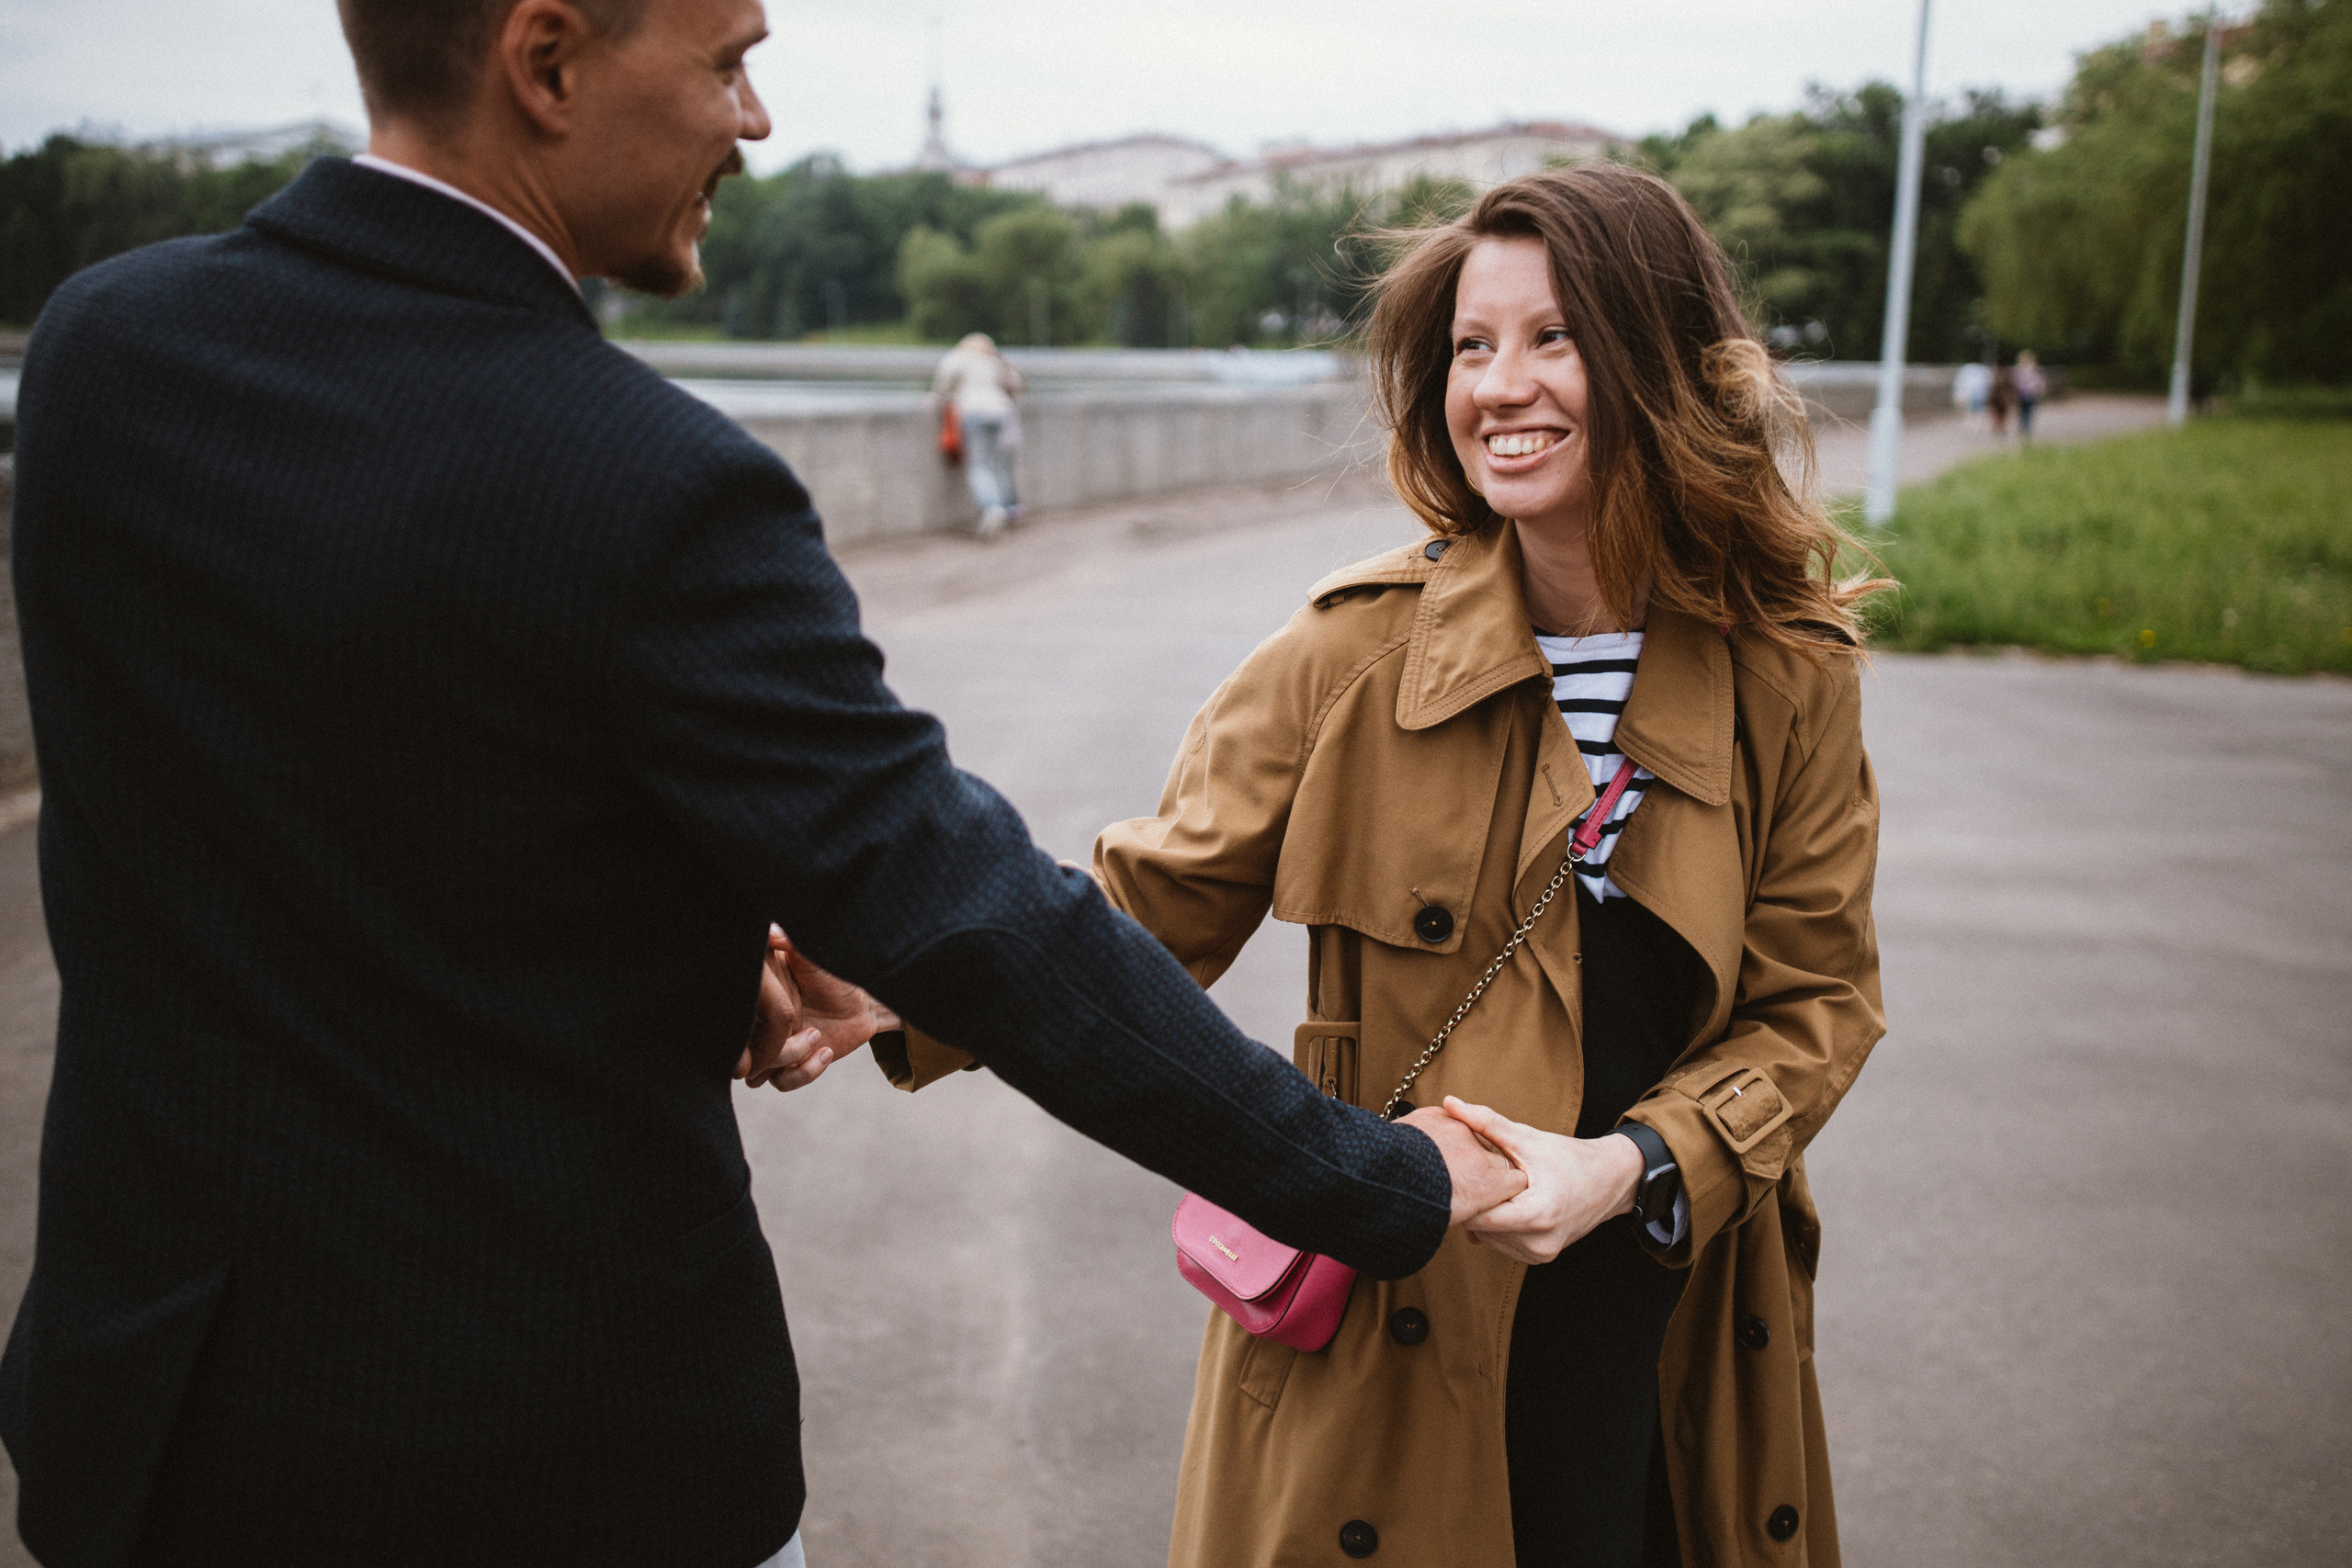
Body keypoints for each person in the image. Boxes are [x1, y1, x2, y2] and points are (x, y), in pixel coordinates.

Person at [0, 2, 1522, 1565]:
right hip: (545, 1468)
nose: (756, 121)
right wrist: (1381, 1180)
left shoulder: (104, 353)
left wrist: (660, 924)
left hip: (154, 1433)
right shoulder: (647, 484)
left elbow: (309, 788)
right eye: (728, 61)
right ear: (546, 62)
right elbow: (978, 920)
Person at [888, 166, 1888, 1566]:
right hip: (1393, 1330)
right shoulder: (1349, 654)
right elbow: (1136, 906)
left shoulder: (1788, 675)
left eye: (1554, 337)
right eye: (1473, 347)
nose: (1501, 386)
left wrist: (1629, 1164)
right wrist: (884, 977)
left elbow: (1818, 1004)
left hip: (1670, 1315)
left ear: (1662, 360)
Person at [930, 331, 1025, 535]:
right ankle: (1008, 507)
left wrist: (939, 397)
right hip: (1001, 412)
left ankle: (991, 508)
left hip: (973, 412)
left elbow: (943, 382)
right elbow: (1016, 383)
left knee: (979, 465)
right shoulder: (995, 360)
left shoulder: (959, 357)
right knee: (997, 463)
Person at [2012, 349, 2047, 439]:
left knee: (2022, 413)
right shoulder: (2034, 369)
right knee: (2028, 413)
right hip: (2030, 394)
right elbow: (2039, 382)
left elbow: (2015, 383)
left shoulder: (2018, 369)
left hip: (2021, 394)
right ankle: (2026, 430)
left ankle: (2022, 429)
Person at [1951, 359, 1992, 425]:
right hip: (1976, 394)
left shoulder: (1966, 370)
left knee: (1972, 407)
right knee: (1974, 407)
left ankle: (1972, 419)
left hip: (1973, 394)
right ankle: (1974, 419)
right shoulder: (1982, 371)